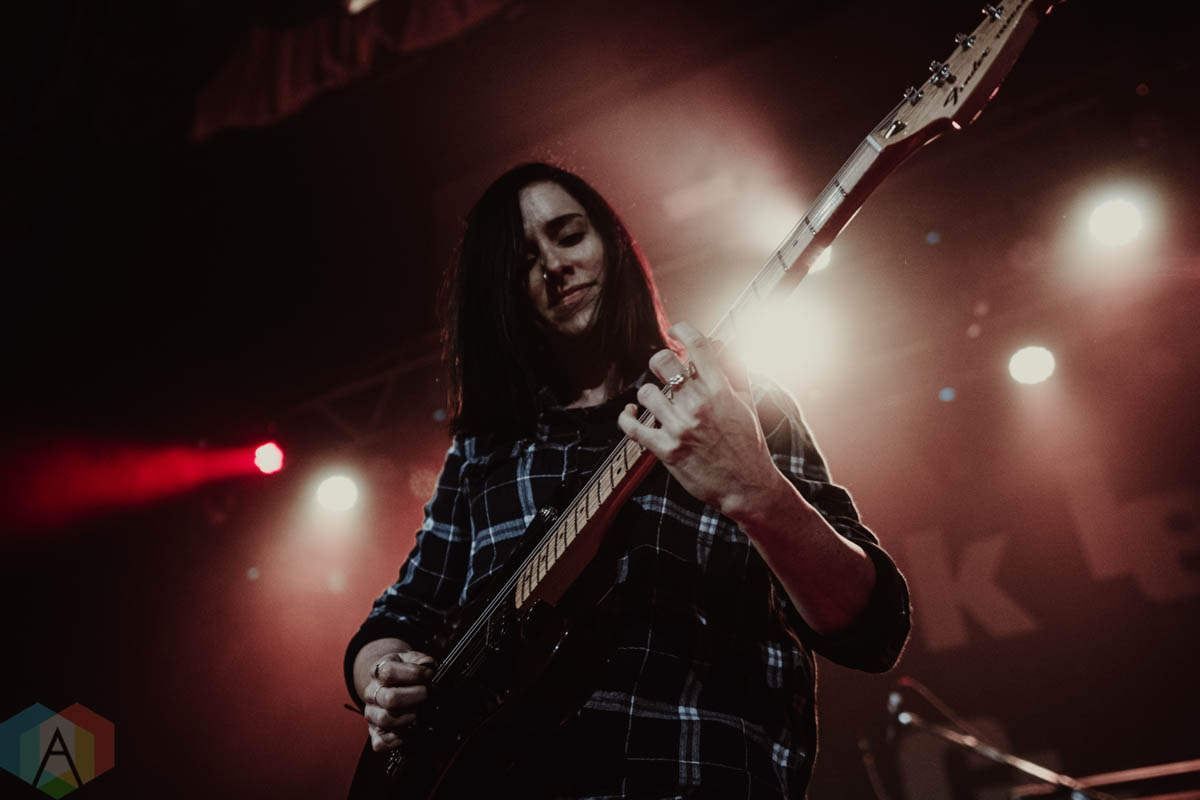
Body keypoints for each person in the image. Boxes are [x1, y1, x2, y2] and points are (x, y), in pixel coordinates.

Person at [344, 162, 910, 798]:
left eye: (569, 235)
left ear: (612, 243)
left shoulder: (735, 403)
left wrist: (756, 490)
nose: (555, 265)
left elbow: (873, 628)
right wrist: (382, 679)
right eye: (523, 261)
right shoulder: (484, 451)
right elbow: (399, 617)